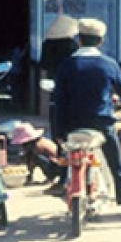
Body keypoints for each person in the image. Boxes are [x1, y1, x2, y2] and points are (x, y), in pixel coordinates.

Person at [52, 18, 121, 228]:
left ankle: (62, 185)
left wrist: (58, 131)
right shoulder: (109, 64)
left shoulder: (66, 66)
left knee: (66, 156)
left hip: (72, 124)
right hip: (102, 124)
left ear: (78, 39)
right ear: (101, 41)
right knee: (117, 166)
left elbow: (59, 102)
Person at [39, 14, 78, 195]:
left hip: (57, 94)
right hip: (75, 95)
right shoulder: (73, 47)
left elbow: (44, 67)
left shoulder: (48, 45)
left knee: (59, 137)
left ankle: (62, 177)